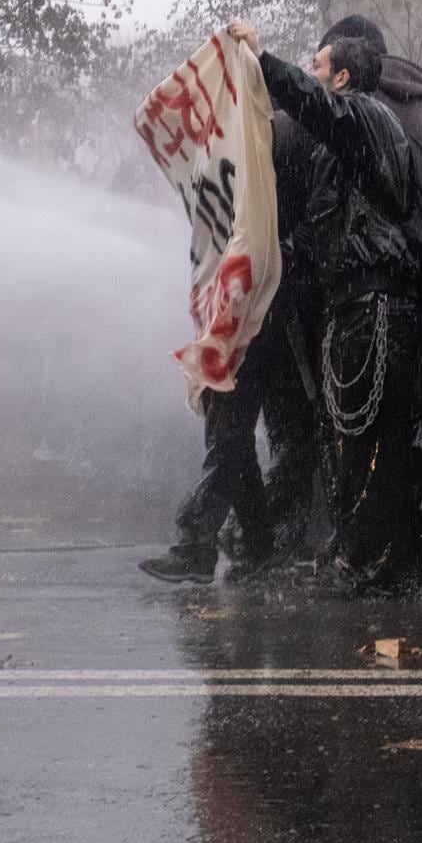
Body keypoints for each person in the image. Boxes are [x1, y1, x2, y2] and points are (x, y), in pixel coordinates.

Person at [231, 18, 422, 593]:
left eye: (318, 67)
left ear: (341, 78)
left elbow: (318, 107)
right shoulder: (357, 138)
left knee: (365, 439)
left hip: (374, 304)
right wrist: (270, 260)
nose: (312, 77)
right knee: (369, 440)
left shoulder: (361, 115)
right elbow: (322, 229)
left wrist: (264, 60)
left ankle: (364, 564)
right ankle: (381, 562)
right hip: (367, 302)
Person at [140, 111, 320, 584]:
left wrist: (272, 260)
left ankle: (199, 543)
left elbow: (289, 229)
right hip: (256, 306)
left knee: (230, 428)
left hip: (267, 311)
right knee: (231, 428)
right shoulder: (267, 136)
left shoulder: (280, 137)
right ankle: (256, 544)